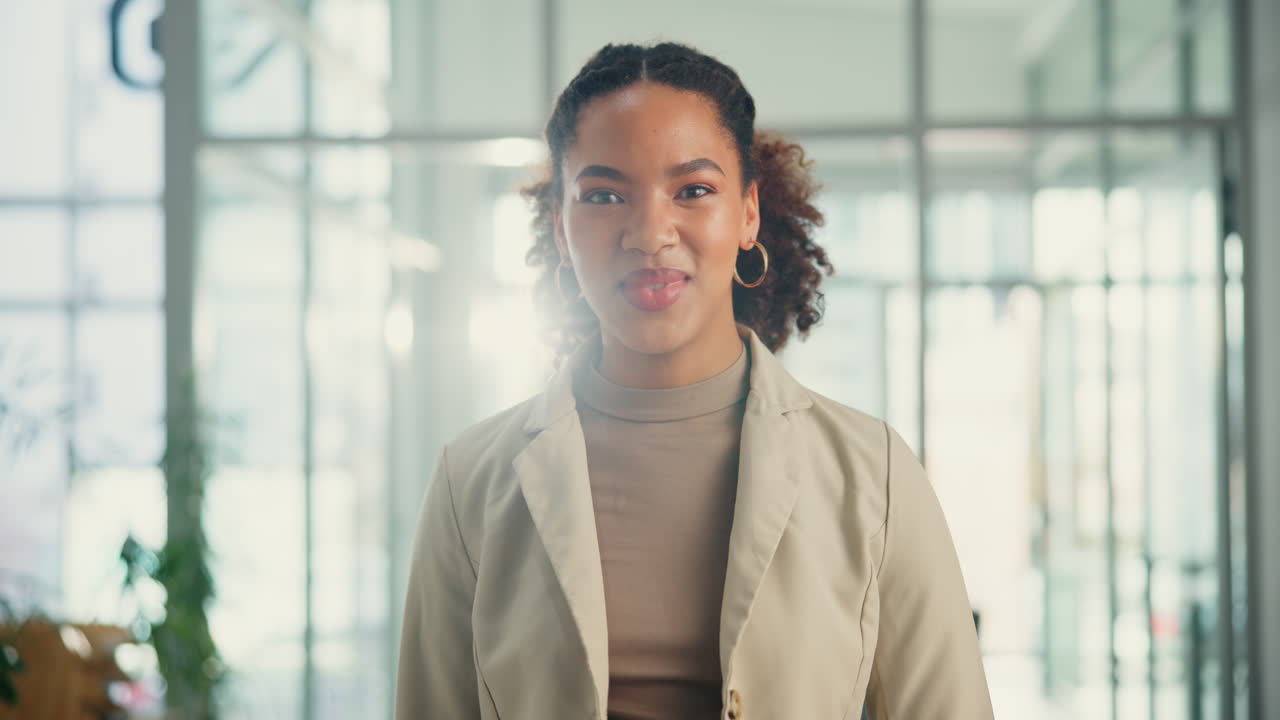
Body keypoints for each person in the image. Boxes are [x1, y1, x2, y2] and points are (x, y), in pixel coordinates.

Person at [395, 41, 994, 720]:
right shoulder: (469, 482)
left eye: (693, 191)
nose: (650, 233)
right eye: (603, 194)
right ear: (561, 229)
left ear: (747, 214)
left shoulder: (875, 474)